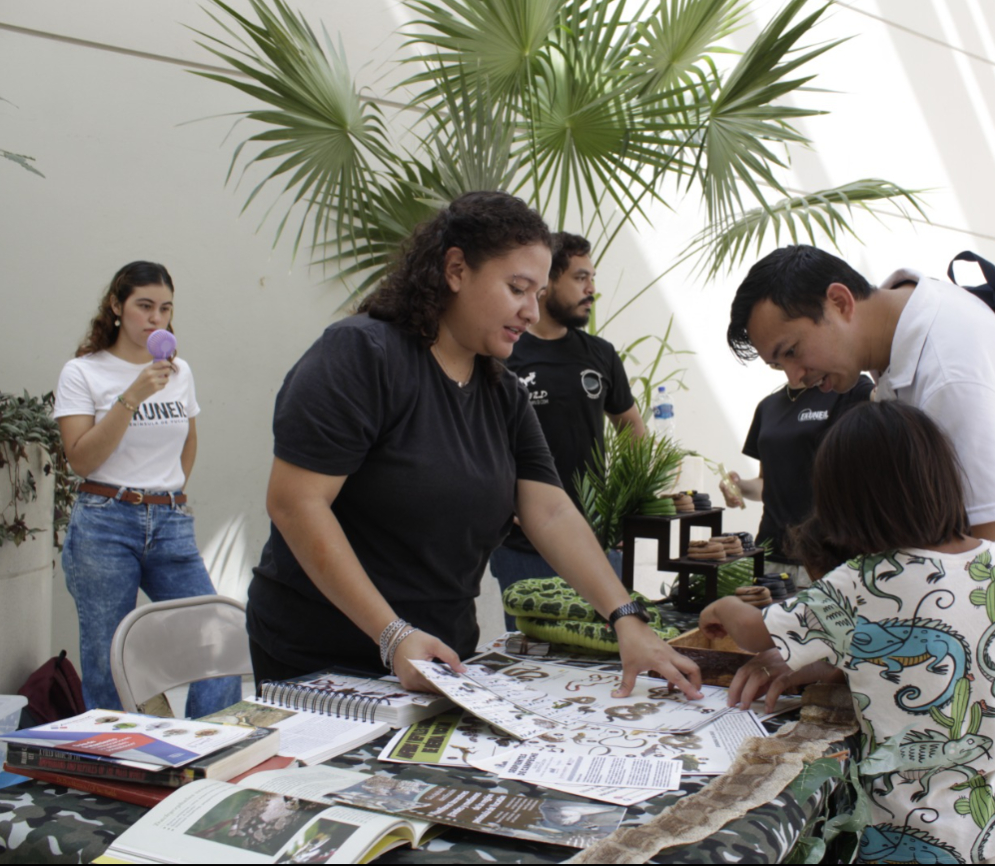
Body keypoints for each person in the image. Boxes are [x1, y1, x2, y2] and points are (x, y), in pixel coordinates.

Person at [725, 245, 995, 863]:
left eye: (790, 352)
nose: (795, 378)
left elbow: (988, 557)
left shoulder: (950, 367)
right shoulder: (906, 329)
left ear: (839, 302)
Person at [246, 191, 702, 699]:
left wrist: (626, 618)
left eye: (538, 293)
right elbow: (296, 502)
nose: (532, 311)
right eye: (517, 289)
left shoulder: (502, 391)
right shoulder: (362, 355)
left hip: (441, 661)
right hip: (326, 659)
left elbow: (548, 511)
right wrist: (392, 634)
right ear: (456, 270)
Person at [701, 400, 995, 866]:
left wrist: (722, 605)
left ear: (845, 499)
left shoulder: (863, 580)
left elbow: (755, 633)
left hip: (908, 841)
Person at [55, 261, 240, 717]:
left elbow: (188, 442)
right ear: (117, 307)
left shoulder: (180, 372)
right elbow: (80, 458)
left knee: (216, 638)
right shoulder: (82, 373)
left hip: (169, 522)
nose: (155, 318)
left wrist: (169, 494)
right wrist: (132, 396)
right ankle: (125, 760)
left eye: (165, 308)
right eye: (144, 306)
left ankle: (210, 745)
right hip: (105, 520)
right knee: (108, 658)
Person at [490, 232, 646, 628]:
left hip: (598, 540)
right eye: (580, 278)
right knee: (534, 659)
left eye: (592, 278)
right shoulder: (504, 354)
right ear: (547, 283)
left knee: (607, 652)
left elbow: (632, 430)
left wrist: (629, 508)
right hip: (524, 547)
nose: (591, 289)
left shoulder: (600, 354)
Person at [719, 376, 872, 586]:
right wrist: (740, 487)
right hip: (770, 550)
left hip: (826, 554)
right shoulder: (767, 406)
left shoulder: (848, 392)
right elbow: (766, 481)